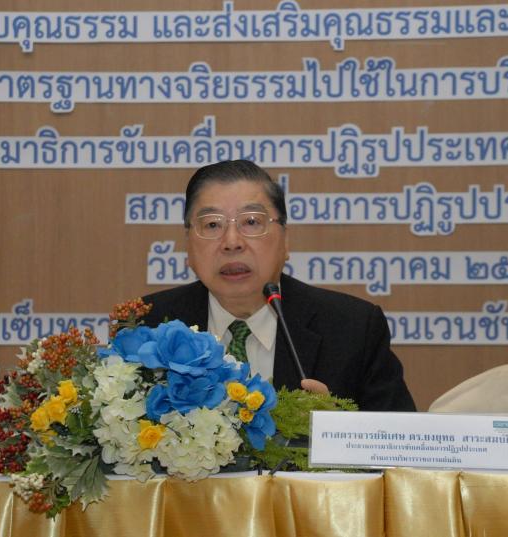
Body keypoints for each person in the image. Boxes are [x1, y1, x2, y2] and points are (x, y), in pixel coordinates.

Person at [141, 160, 416, 411]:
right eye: (212, 225)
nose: (232, 242)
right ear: (188, 246)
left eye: (251, 222)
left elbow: (395, 441)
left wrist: (335, 427)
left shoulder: (353, 329)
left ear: (285, 241)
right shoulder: (147, 325)